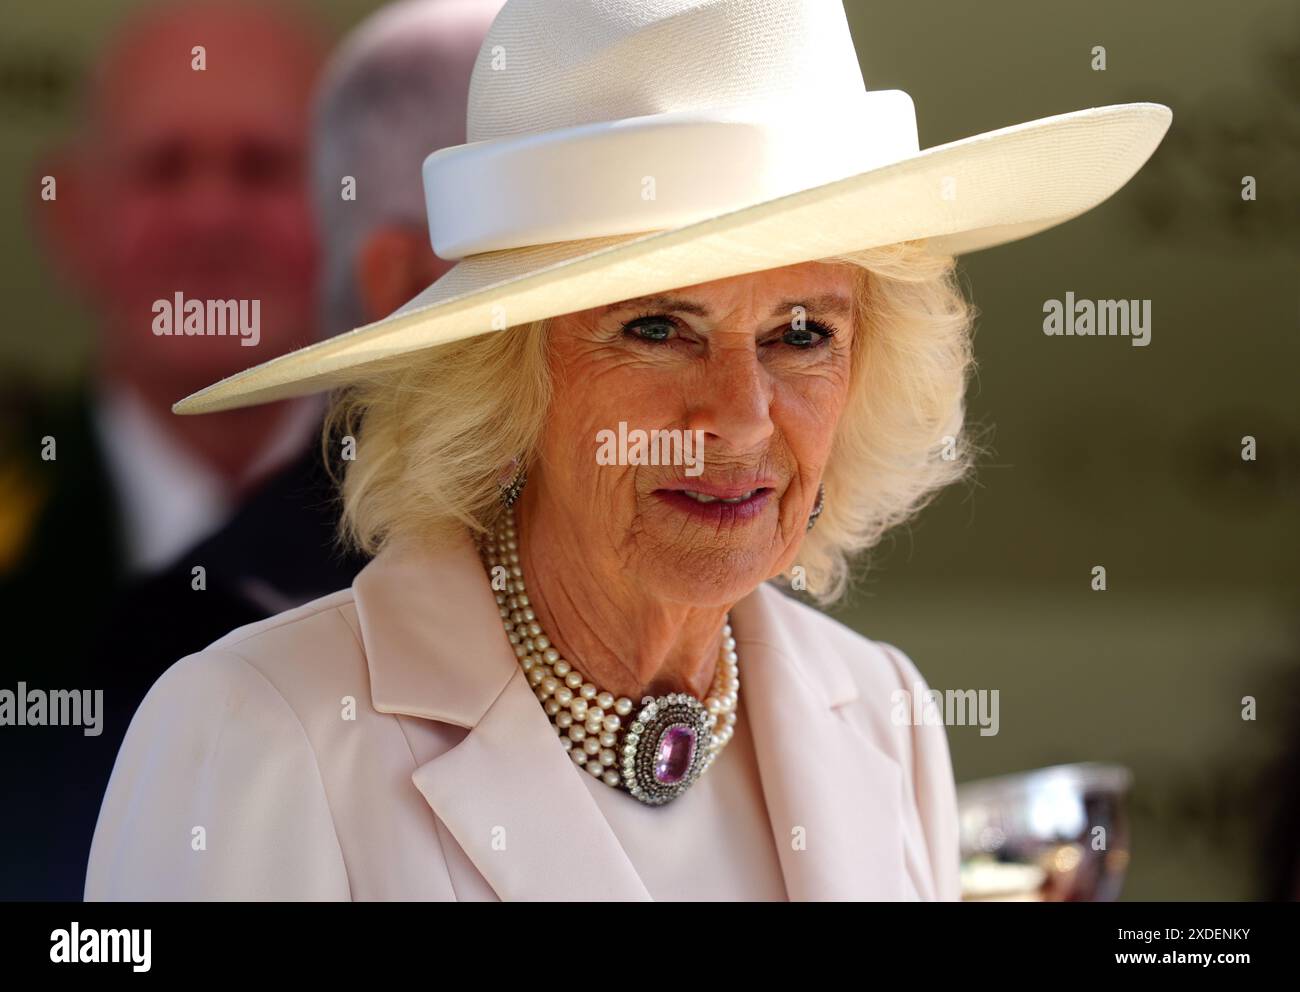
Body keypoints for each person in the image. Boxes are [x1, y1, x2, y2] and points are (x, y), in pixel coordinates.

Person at [85, 0, 1171, 901]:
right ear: (507, 377)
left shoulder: (880, 711)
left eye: (803, 332)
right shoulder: (264, 730)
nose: (741, 416)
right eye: (657, 327)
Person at [0, 0, 328, 901]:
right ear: (73, 220)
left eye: (263, 169)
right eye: (162, 169)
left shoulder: (470, 529)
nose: (211, 217)